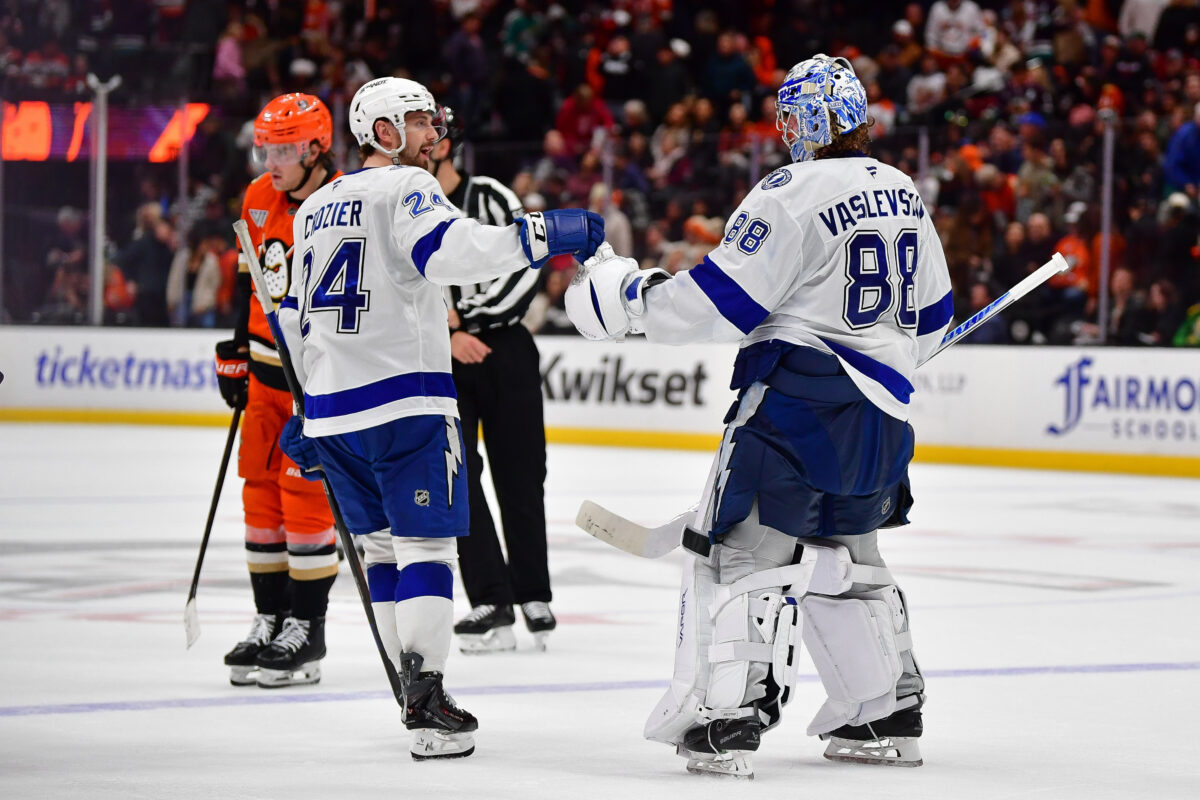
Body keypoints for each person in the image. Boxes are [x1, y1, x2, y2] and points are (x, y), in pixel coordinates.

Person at [565, 55, 951, 778]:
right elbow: (932, 323)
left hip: (796, 403)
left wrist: (632, 305)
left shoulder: (788, 191)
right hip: (883, 417)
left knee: (742, 557)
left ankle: (727, 718)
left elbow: (720, 303)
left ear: (802, 123)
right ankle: (885, 714)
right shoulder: (903, 190)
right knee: (851, 556)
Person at [275, 77, 603, 759]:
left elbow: (295, 319)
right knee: (424, 548)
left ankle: (411, 684)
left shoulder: (313, 208)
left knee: (380, 552)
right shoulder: (406, 188)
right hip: (406, 403)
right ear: (385, 132)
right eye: (420, 122)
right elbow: (456, 256)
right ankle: (425, 699)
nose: (433, 134)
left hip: (335, 411)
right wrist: (538, 235)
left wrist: (308, 406)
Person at [213, 94, 341, 689]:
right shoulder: (257, 197)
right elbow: (249, 283)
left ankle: (306, 629)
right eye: (266, 149)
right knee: (259, 497)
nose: (272, 161)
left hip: (316, 383)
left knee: (306, 505)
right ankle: (269, 618)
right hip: (264, 380)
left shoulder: (342, 203)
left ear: (317, 147)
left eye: (285, 150)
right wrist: (236, 351)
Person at [428, 104, 556, 654]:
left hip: (503, 347)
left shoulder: (491, 197)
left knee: (521, 471)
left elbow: (526, 264)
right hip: (439, 355)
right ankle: (490, 597)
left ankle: (532, 591)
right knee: (460, 479)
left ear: (447, 142)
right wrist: (445, 330)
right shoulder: (402, 208)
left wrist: (467, 319)